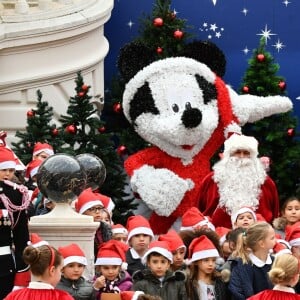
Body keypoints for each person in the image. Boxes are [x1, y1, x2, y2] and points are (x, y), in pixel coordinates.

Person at [198, 134, 279, 228]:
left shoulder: (265, 182)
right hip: (218, 234)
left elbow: (274, 211)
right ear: (229, 154)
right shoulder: (212, 179)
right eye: (237, 152)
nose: (241, 156)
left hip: (257, 236)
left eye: (246, 153)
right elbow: (199, 210)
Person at [0, 144, 32, 299]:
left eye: (11, 170)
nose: (7, 174)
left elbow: (20, 232)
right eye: (3, 170)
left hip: (4, 263)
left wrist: (22, 264)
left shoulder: (15, 194)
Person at [4, 244, 73, 300]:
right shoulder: (63, 297)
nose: (61, 274)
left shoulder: (14, 296)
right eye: (61, 270)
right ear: (52, 270)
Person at [228, 222, 276, 300]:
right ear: (262, 244)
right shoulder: (241, 265)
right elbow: (237, 293)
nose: (276, 240)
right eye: (272, 238)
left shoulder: (276, 262)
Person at [185, 235, 229, 300]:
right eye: (206, 260)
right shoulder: (188, 284)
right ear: (196, 262)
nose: (211, 264)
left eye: (213, 260)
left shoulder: (219, 282)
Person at [76, 188, 112, 258]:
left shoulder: (106, 229)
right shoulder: (78, 231)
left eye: (100, 208)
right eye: (92, 209)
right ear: (83, 212)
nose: (98, 212)